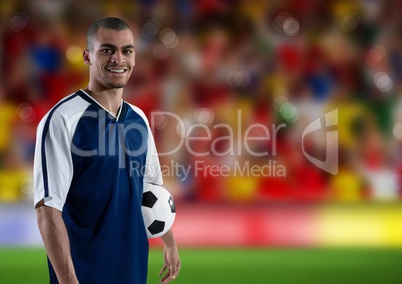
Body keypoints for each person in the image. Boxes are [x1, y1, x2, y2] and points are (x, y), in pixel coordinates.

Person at [33, 17, 181, 284]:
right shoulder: (63, 118)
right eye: (107, 50)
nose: (118, 59)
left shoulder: (138, 119)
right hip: (83, 274)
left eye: (127, 50)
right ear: (88, 56)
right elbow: (48, 209)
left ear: (135, 57)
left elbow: (150, 187)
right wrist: (68, 280)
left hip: (133, 270)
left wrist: (168, 242)